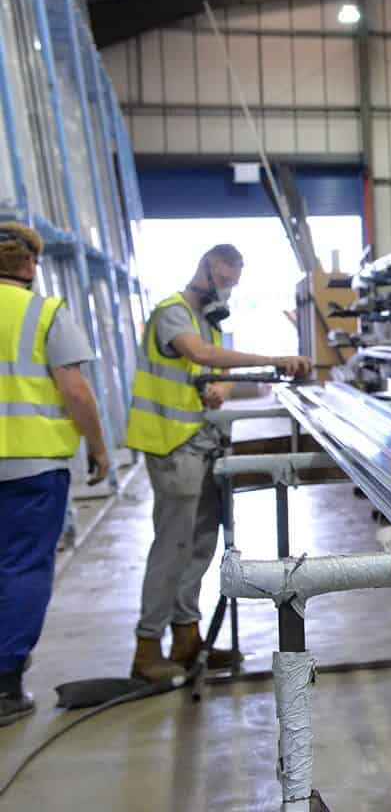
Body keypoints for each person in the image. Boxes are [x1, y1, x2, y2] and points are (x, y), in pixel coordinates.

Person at [126, 244, 312, 682]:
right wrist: (272, 359)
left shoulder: (204, 323)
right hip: (172, 444)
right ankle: (147, 647)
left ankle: (187, 636)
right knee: (172, 547)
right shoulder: (172, 313)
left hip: (201, 442)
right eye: (224, 282)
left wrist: (221, 391)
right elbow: (203, 357)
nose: (226, 293)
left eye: (233, 285)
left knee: (201, 543)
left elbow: (213, 375)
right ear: (206, 270)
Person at [0, 223, 111, 725]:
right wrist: (98, 446)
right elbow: (76, 390)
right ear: (28, 265)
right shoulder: (44, 314)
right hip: (32, 466)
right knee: (22, 568)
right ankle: (5, 686)